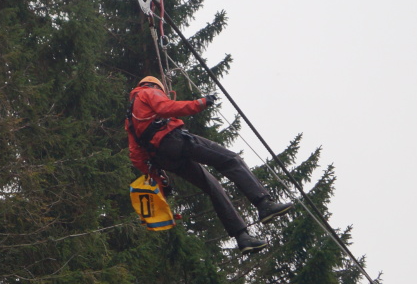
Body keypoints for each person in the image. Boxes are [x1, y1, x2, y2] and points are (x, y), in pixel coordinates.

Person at [125, 76, 293, 252]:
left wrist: (157, 178)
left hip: (163, 159)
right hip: (173, 141)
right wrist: (200, 103)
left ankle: (242, 237)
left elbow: (136, 155)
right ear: (156, 86)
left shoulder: (130, 118)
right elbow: (166, 107)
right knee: (230, 159)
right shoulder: (148, 92)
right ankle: (263, 203)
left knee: (212, 185)